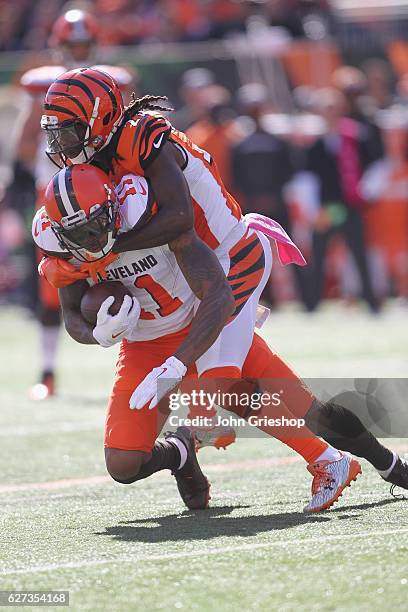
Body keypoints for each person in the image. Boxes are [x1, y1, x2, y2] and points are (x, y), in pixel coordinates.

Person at [39, 68, 408, 501]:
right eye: (56, 134)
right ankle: (380, 464)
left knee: (211, 396)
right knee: (286, 404)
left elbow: (178, 221)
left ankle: (187, 444)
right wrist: (94, 316)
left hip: (232, 259)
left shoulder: (142, 151)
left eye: (70, 131)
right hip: (184, 288)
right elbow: (72, 294)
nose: (62, 145)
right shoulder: (79, 198)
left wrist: (105, 249)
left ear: (100, 120)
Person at [34, 163, 362, 513]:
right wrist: (96, 334)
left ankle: (330, 459)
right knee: (123, 463)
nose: (92, 241)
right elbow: (70, 314)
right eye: (79, 235)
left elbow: (215, 290)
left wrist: (183, 359)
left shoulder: (148, 211)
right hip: (144, 344)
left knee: (245, 389)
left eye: (95, 225)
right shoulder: (60, 246)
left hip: (200, 320)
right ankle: (180, 453)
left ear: (114, 205)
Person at [10, 9, 135, 400]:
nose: (78, 51)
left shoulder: (113, 82)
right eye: (72, 45)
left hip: (103, 195)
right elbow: (25, 146)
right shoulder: (42, 89)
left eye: (84, 45)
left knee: (142, 266)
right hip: (57, 198)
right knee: (56, 281)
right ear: (59, 46)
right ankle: (48, 371)